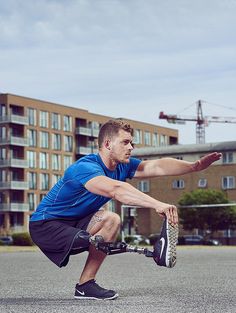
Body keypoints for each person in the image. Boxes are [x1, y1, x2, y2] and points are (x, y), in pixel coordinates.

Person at [29, 119, 221, 300]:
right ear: (107, 144)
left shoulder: (121, 167)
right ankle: (89, 246)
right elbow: (116, 190)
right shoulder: (85, 167)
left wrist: (194, 166)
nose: (130, 147)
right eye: (125, 142)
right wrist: (157, 204)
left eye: (132, 143)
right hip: (46, 226)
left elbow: (156, 166)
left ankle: (85, 285)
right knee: (107, 220)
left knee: (111, 219)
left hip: (75, 223)